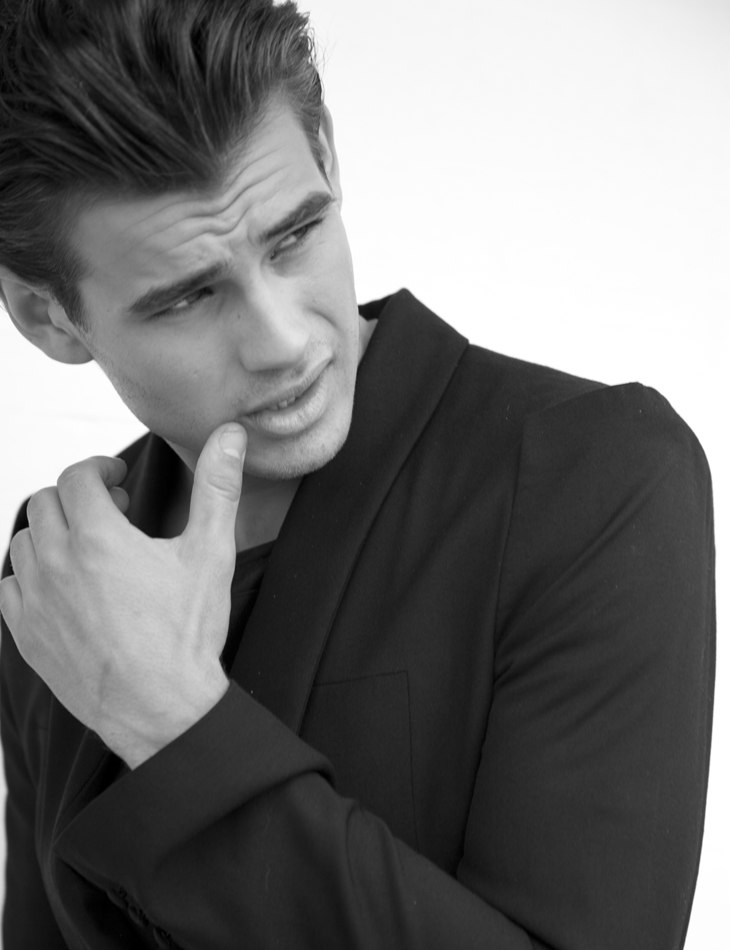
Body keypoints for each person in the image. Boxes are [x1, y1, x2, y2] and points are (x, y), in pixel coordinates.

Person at [0, 0, 715, 947]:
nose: (283, 341)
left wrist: (174, 727)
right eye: (188, 298)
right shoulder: (60, 569)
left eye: (294, 236)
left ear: (328, 157)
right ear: (48, 317)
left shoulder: (593, 479)